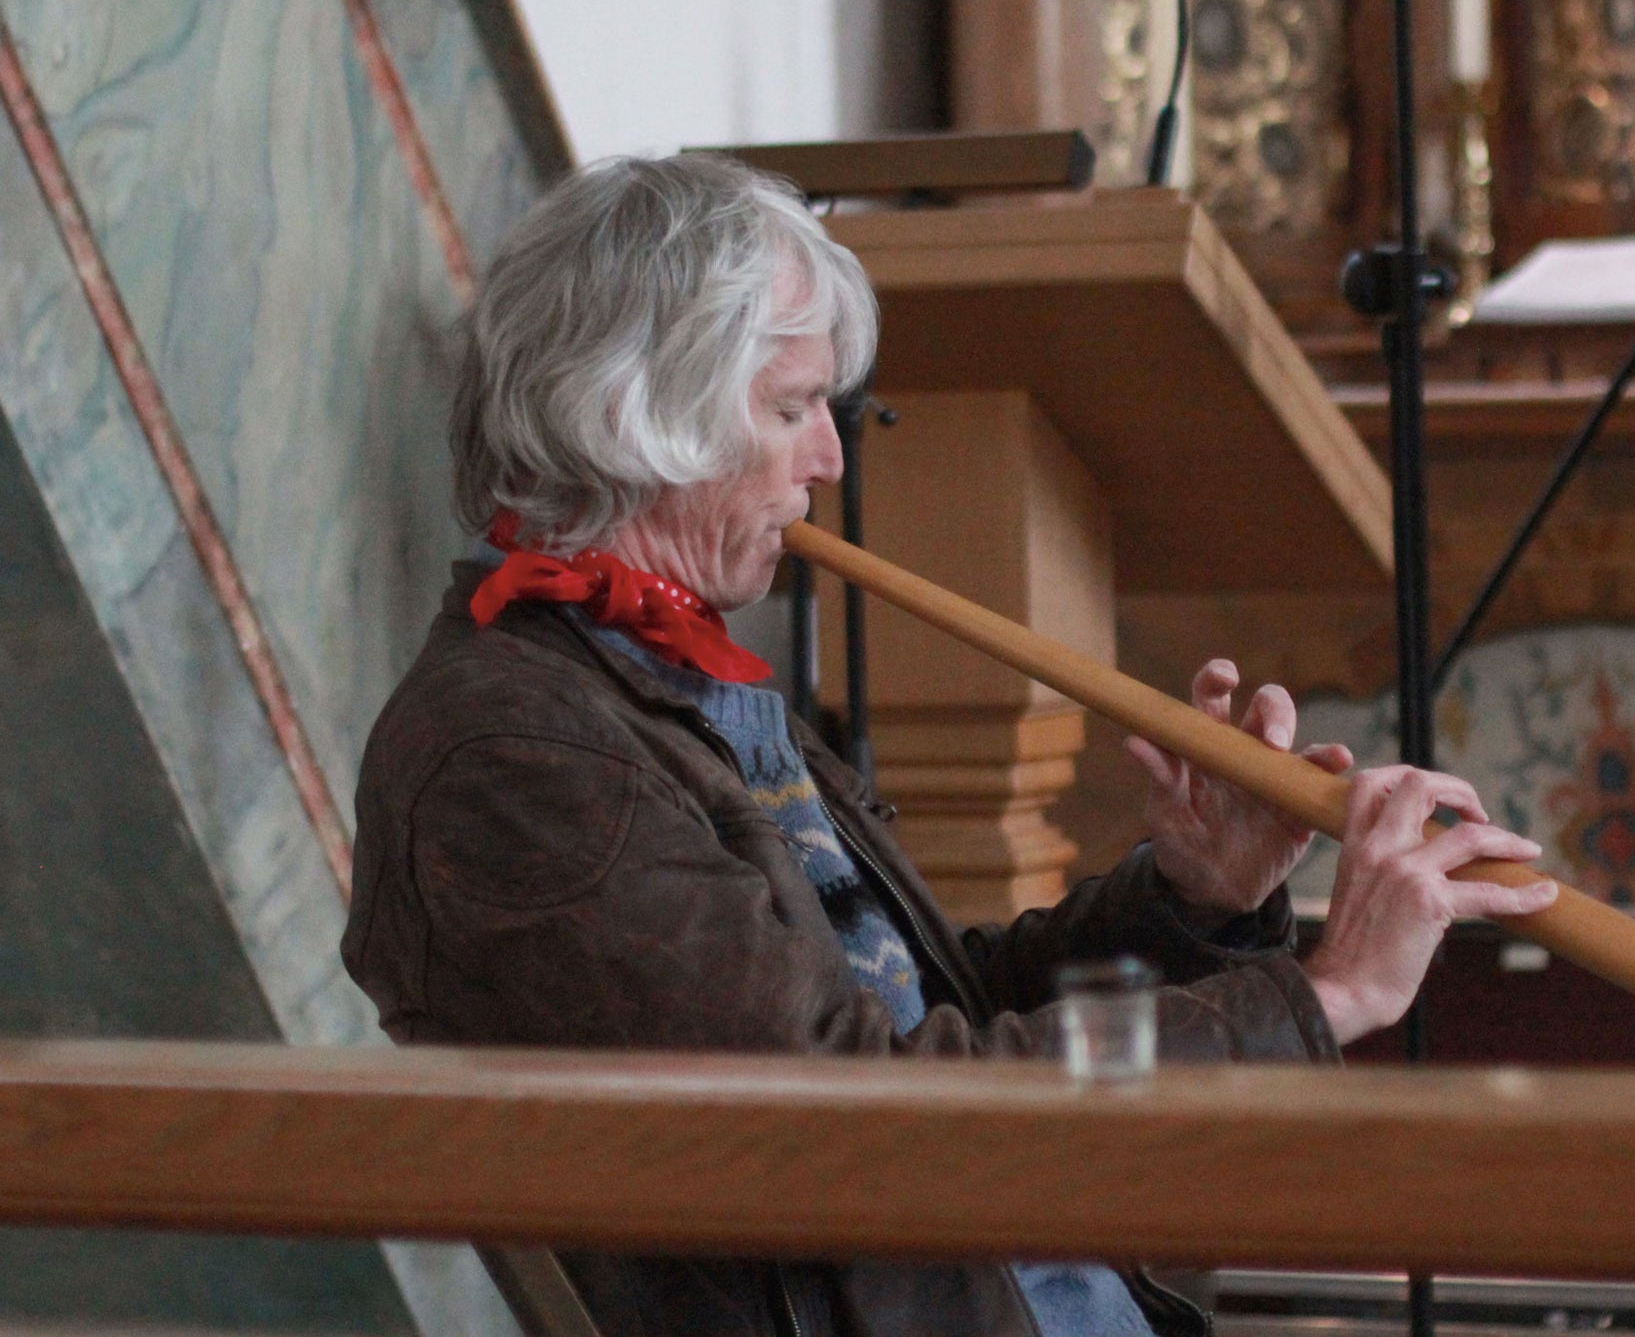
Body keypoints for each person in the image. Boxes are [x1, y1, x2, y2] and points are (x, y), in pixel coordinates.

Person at [343, 154, 1557, 1337]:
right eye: (788, 408)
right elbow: (856, 1118)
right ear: (633, 415)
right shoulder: (511, 755)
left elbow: (931, 1017)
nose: (828, 454)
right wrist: (1323, 994)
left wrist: (1195, 899)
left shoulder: (656, 678)